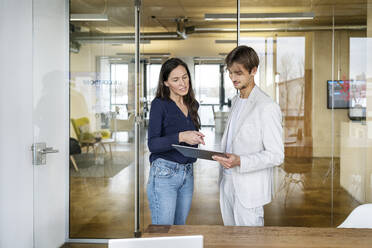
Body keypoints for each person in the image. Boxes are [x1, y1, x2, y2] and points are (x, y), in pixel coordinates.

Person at [212, 46, 284, 226]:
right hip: (227, 184)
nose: (233, 78)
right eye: (230, 73)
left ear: (253, 71)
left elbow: (276, 155)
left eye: (238, 73)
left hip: (249, 190)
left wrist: (240, 161)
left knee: (250, 243)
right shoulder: (236, 101)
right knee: (231, 240)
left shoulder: (267, 106)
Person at [147, 58, 205, 225]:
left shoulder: (192, 104)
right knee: (163, 234)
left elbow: (188, 140)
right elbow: (153, 144)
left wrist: (195, 138)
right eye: (175, 79)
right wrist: (181, 136)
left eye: (185, 77)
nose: (182, 83)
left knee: (179, 230)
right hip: (165, 174)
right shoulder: (159, 104)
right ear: (165, 82)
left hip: (187, 173)